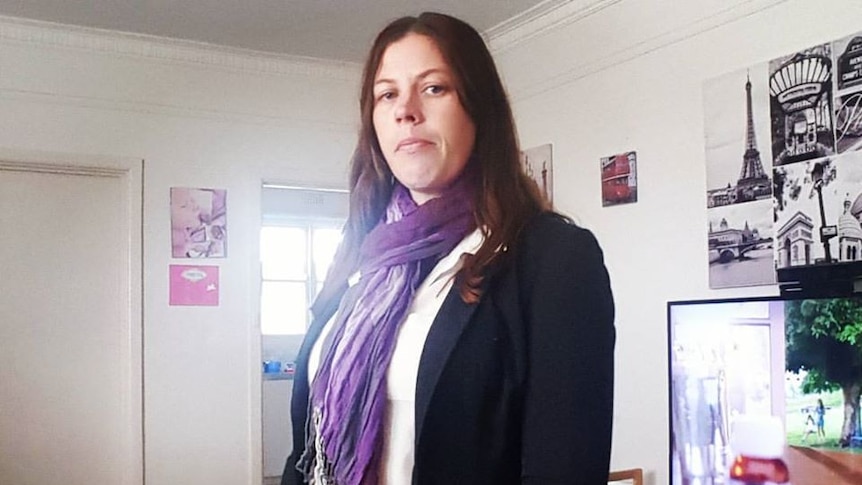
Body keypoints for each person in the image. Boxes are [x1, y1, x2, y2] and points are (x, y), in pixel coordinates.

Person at [281, 12, 615, 485]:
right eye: (387, 94)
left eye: (434, 88)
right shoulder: (362, 254)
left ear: (479, 108)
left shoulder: (553, 258)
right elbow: (304, 452)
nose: (406, 110)